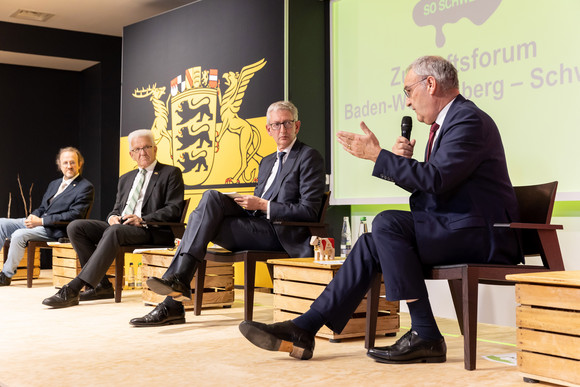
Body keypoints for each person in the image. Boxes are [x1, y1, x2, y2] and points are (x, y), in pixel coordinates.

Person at [239, 56, 523, 364]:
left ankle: (426, 333)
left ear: (430, 84)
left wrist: (380, 156)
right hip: (456, 226)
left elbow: (437, 180)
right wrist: (403, 164)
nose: (409, 103)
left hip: (482, 234)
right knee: (371, 243)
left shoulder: (467, 119)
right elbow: (437, 183)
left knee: (388, 222)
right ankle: (305, 329)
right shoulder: (448, 125)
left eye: (408, 91)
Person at [129, 100, 326, 327]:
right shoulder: (267, 161)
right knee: (210, 201)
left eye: (287, 124)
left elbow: (309, 210)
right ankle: (175, 296)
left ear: (297, 126)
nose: (282, 130)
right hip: (256, 225)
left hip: (281, 233)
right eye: (276, 124)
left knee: (202, 216)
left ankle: (175, 293)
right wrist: (249, 204)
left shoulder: (308, 156)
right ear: (268, 129)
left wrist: (263, 205)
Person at [42, 129, 184, 308]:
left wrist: (142, 218)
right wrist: (112, 217)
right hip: (123, 228)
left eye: (147, 147)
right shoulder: (126, 178)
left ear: (155, 149)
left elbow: (174, 209)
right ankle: (102, 286)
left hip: (152, 229)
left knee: (115, 231)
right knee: (76, 227)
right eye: (137, 149)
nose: (142, 152)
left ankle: (73, 288)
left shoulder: (170, 173)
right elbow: (116, 209)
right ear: (131, 154)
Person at [0, 147, 94, 286]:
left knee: (19, 234)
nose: (69, 166)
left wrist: (41, 221)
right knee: (2, 223)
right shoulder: (54, 184)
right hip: (40, 223)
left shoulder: (85, 187)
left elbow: (74, 215)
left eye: (72, 162)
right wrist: (33, 216)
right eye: (65, 163)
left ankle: (6, 275)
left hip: (56, 230)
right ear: (60, 165)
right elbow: (43, 208)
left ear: (80, 164)